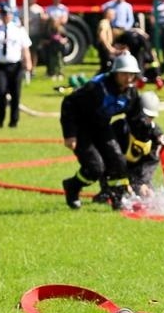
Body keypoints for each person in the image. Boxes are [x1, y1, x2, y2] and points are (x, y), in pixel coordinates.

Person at [60, 52, 140, 210]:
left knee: (118, 161)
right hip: (82, 129)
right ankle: (73, 186)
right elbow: (69, 104)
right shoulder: (96, 88)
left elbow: (135, 117)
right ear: (115, 73)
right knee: (95, 168)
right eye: (124, 74)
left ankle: (117, 199)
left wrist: (150, 136)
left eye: (131, 74)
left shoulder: (131, 92)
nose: (128, 78)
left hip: (102, 127)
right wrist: (70, 134)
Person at [0, 6, 33, 128]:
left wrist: (28, 62)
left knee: (15, 94)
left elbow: (25, 47)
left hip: (15, 65)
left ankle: (14, 121)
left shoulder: (19, 30)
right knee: (0, 92)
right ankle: (1, 119)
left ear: (12, 15)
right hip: (0, 66)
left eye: (8, 14)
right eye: (4, 14)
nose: (6, 16)